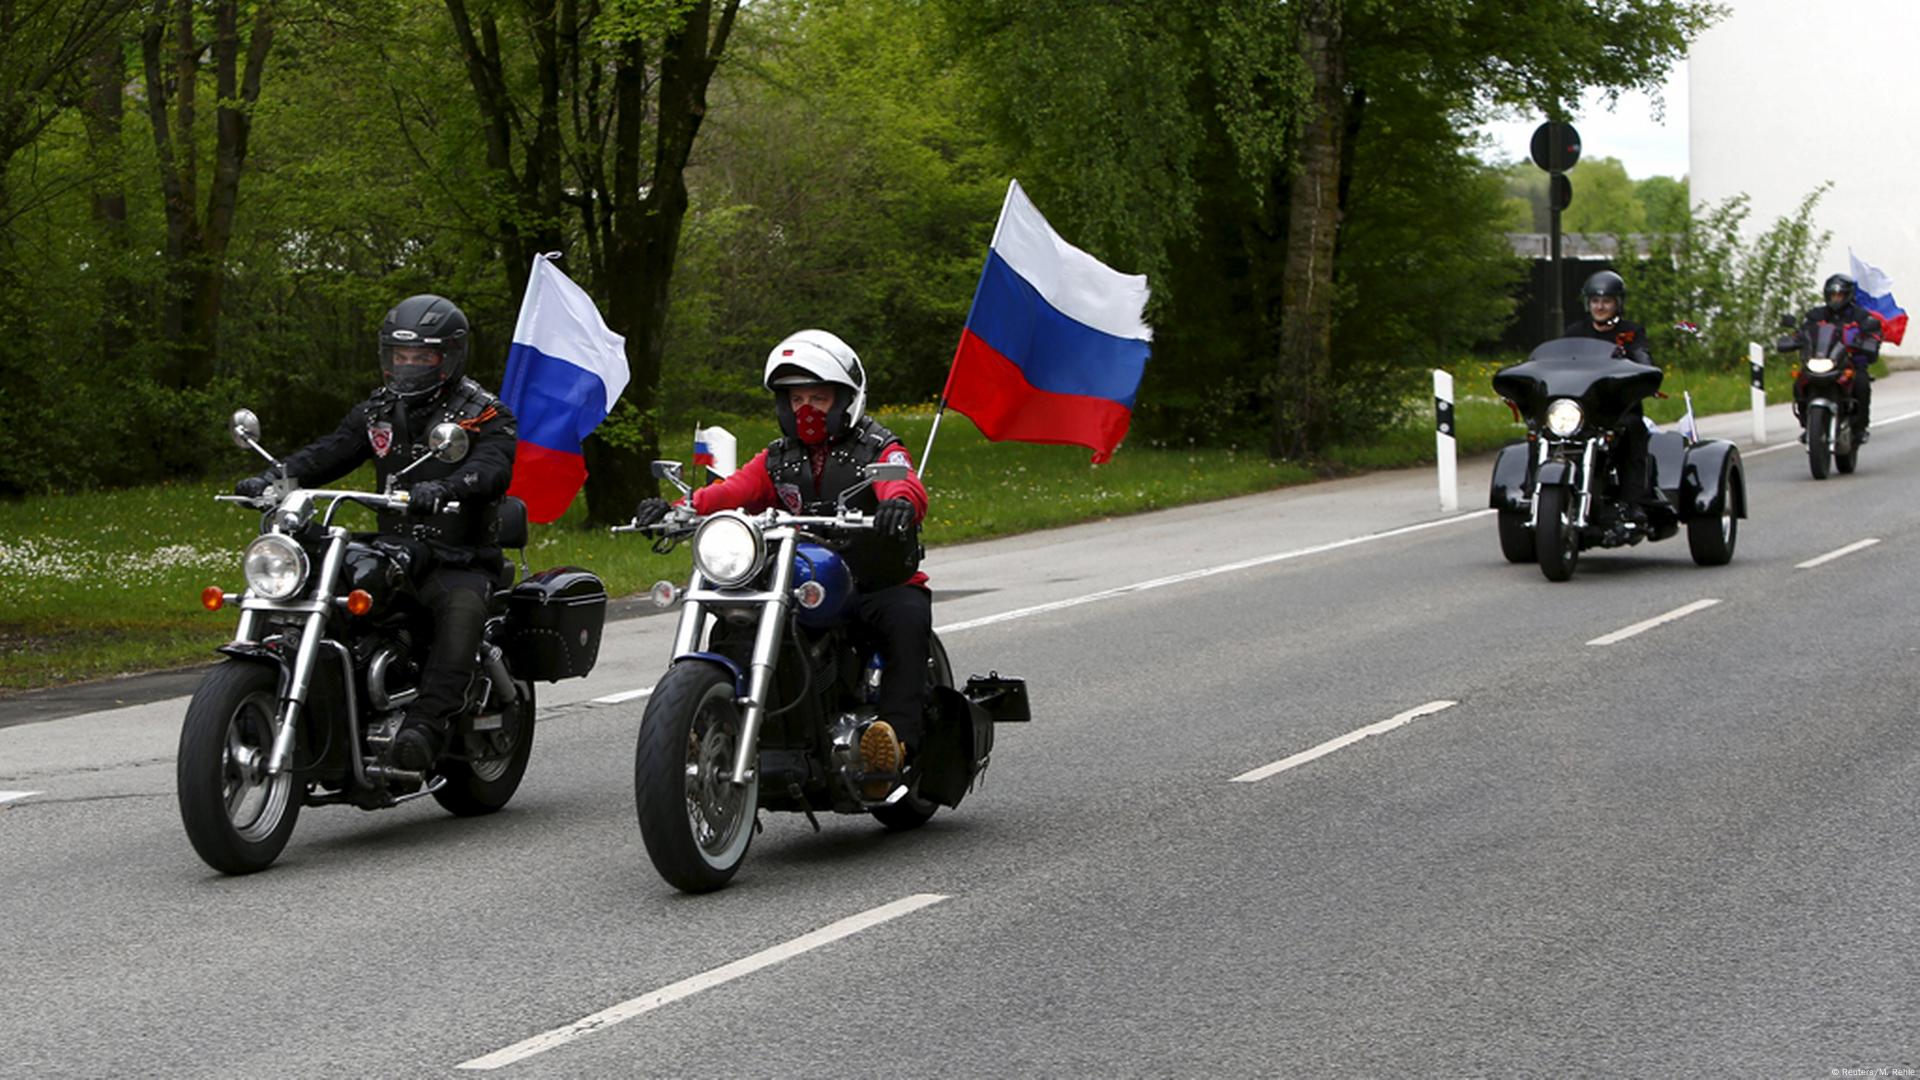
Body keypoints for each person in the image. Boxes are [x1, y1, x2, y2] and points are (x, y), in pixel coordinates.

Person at [633, 329, 929, 798]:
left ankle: (896, 744)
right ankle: (713, 720)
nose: (805, 409)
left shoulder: (876, 447)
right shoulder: (777, 459)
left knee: (905, 619)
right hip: (800, 574)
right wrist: (679, 508)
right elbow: (728, 493)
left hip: (872, 578)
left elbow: (903, 480)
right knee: (732, 616)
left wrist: (899, 503)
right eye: (795, 398)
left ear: (845, 398)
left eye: (818, 396)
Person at [233, 295, 518, 771]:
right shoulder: (379, 410)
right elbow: (331, 452)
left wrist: (447, 486)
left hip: (458, 553)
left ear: (447, 356)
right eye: (400, 357)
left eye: (421, 357)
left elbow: (493, 469)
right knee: (325, 577)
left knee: (459, 607)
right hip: (397, 546)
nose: (408, 367)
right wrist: (276, 478)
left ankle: (424, 725)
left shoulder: (484, 413)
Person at [1561, 270, 1658, 523]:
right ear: (1588, 303)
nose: (1600, 306)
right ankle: (1534, 492)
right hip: (1580, 410)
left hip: (1618, 409)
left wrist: (1644, 371)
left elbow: (1642, 356)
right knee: (1540, 431)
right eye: (1595, 301)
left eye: (1606, 301)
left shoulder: (1631, 331)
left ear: (1618, 303)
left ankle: (1631, 503)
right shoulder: (1575, 332)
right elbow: (1556, 361)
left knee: (1633, 432)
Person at [1797, 272, 1883, 442]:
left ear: (1848, 295)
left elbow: (1873, 333)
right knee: (1800, 382)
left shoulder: (1860, 315)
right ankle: (1808, 425)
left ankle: (1860, 428)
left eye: (1840, 295)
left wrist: (1869, 342)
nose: (1836, 299)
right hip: (1822, 359)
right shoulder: (1816, 314)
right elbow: (1803, 332)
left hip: (1850, 362)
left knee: (1861, 384)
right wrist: (1794, 340)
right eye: (1833, 295)